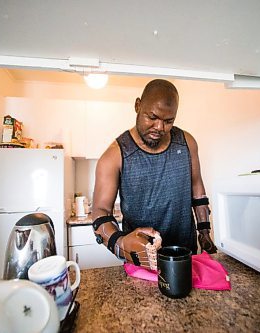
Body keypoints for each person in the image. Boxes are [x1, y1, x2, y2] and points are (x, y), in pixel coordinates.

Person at [91, 79, 217, 269]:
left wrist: (204, 231)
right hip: (141, 260)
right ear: (137, 105)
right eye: (152, 117)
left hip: (185, 254)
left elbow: (197, 188)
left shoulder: (187, 143)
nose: (160, 127)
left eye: (168, 121)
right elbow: (100, 211)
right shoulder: (115, 155)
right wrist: (120, 243)